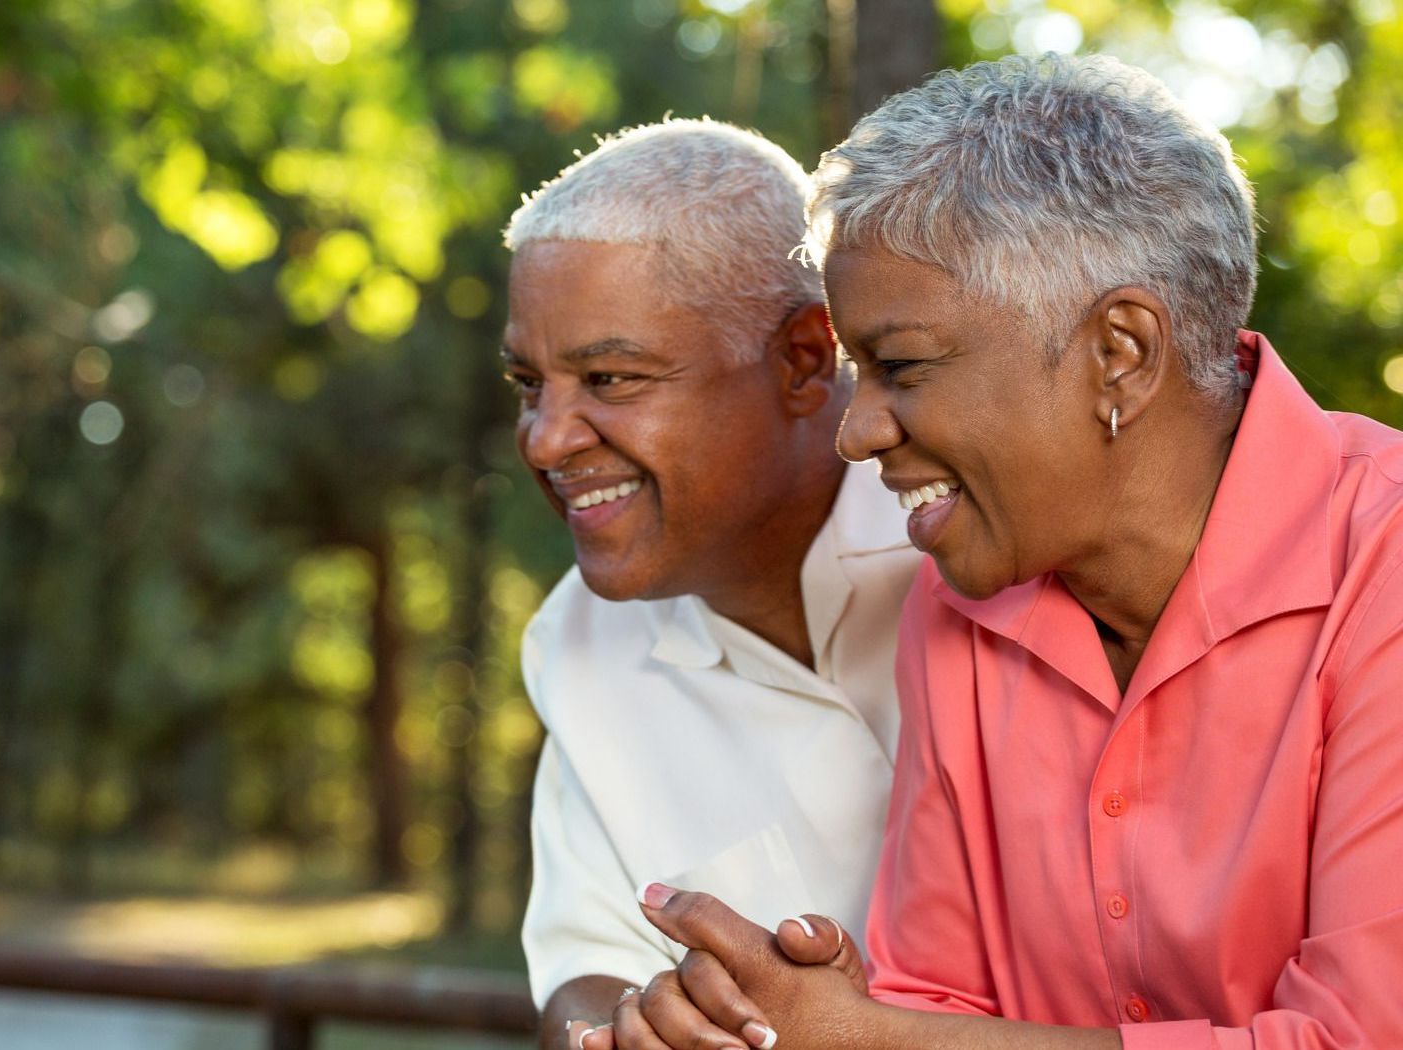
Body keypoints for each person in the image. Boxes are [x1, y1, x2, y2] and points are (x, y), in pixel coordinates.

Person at [601, 52, 1403, 1050]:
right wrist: (816, 1025)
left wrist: (866, 1041)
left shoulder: (1386, 567)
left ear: (1121, 353)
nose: (857, 433)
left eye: (901, 367)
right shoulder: (960, 605)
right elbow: (942, 1007)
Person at [500, 118, 920, 1050]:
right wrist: (622, 1032)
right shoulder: (575, 641)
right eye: (530, 385)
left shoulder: (968, 543)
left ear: (804, 361)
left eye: (609, 378)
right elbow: (583, 965)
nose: (545, 438)